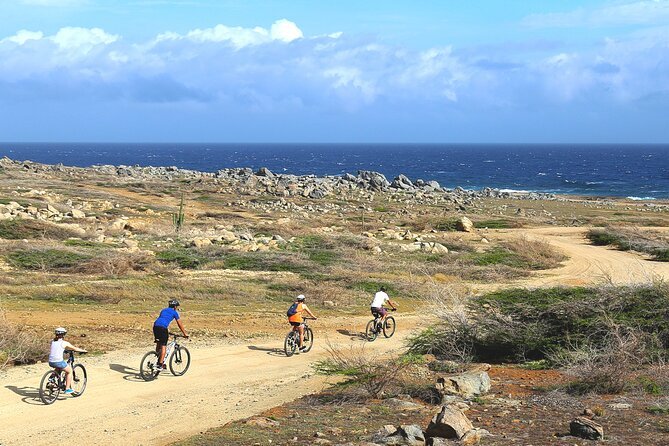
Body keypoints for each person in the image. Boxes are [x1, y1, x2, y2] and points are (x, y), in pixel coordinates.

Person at [48, 327, 87, 395]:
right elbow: (75, 348)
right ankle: (67, 389)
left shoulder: (52, 341)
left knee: (58, 367)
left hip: (51, 362)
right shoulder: (64, 343)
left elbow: (57, 349)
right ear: (63, 334)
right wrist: (83, 350)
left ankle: (51, 378)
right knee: (69, 371)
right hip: (58, 362)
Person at [153, 299, 188, 370]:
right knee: (163, 346)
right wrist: (184, 334)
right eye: (176, 307)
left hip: (155, 326)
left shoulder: (163, 310)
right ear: (175, 307)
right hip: (163, 328)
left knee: (159, 343)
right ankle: (160, 365)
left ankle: (158, 357)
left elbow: (162, 320)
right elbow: (179, 324)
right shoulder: (175, 312)